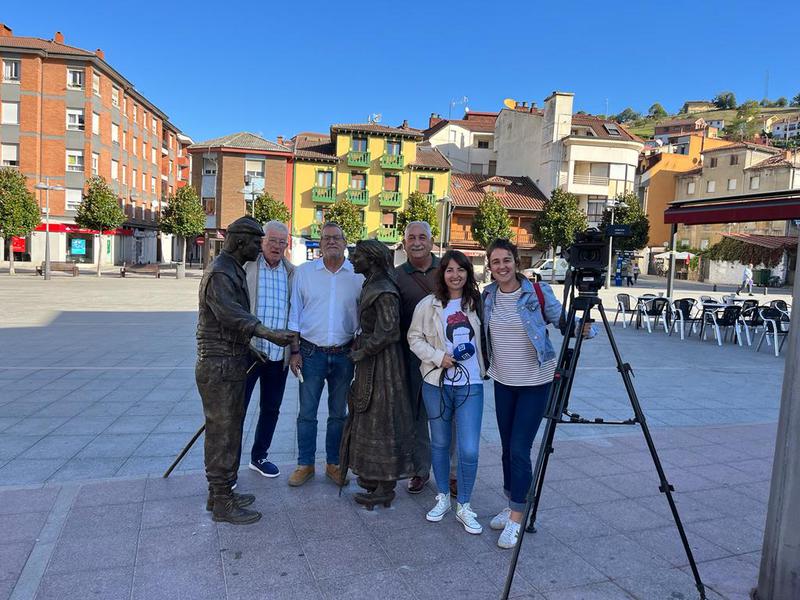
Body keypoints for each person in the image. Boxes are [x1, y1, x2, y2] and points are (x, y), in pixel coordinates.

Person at [482, 239, 593, 549]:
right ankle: (512, 502)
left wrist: (584, 328)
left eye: (507, 260)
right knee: (507, 448)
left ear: (516, 262)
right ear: (489, 267)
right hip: (503, 382)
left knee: (520, 448)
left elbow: (563, 323)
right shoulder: (487, 296)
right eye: (496, 262)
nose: (502, 266)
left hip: (535, 381)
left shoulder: (537, 292)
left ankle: (518, 517)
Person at [195, 216, 296, 524]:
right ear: (241, 241)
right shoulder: (222, 271)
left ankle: (220, 493)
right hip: (219, 364)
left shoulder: (232, 268)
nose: (259, 246)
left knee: (228, 429)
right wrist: (268, 334)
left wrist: (250, 348)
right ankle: (222, 500)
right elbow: (230, 314)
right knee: (222, 431)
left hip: (232, 358)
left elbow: (228, 323)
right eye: (257, 241)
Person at [408, 250, 486, 534]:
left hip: (471, 384)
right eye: (449, 269)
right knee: (440, 443)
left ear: (468, 273)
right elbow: (413, 337)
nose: (455, 275)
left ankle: (464, 504)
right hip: (436, 383)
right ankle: (442, 496)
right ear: (442, 274)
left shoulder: (477, 303)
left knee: (468, 448)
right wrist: (437, 357)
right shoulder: (428, 304)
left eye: (461, 269)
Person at [287, 222, 364, 487]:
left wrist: (358, 343)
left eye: (336, 238)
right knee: (307, 412)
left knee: (338, 414)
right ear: (320, 243)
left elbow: (363, 314)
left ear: (344, 242)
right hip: (310, 353)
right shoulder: (305, 273)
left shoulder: (357, 275)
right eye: (326, 238)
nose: (331, 241)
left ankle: (334, 463)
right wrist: (294, 351)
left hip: (344, 354)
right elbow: (295, 314)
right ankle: (305, 464)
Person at [339, 240, 415, 509]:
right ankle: (373, 474)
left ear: (371, 259)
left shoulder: (384, 290)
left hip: (384, 365)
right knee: (369, 416)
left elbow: (389, 331)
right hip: (373, 360)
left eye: (357, 255)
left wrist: (363, 351)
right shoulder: (372, 283)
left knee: (382, 420)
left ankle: (385, 486)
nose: (352, 259)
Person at [241, 221, 294, 479]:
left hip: (277, 356)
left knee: (271, 408)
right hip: (249, 352)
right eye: (272, 240)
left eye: (282, 242)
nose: (276, 246)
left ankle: (259, 456)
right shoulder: (246, 267)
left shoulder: (291, 273)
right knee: (237, 410)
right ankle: (228, 464)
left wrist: (294, 350)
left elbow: (295, 313)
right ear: (262, 241)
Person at [395, 221, 439, 495]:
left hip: (447, 357)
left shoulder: (448, 269)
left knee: (449, 416)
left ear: (431, 242)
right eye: (411, 238)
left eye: (422, 237)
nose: (417, 242)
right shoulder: (397, 276)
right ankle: (420, 470)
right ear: (404, 243)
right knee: (416, 416)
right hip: (412, 358)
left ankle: (452, 473)